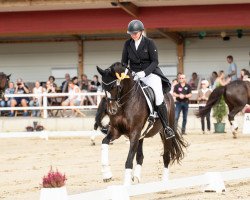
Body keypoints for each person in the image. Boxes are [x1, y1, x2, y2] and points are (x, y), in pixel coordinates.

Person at [121, 19, 174, 139]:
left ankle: (166, 127)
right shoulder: (127, 44)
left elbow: (155, 62)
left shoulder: (149, 43)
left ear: (141, 32)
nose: (133, 35)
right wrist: (126, 73)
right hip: (134, 75)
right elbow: (124, 62)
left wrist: (144, 73)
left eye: (135, 33)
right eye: (131, 33)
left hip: (150, 74)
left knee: (159, 95)